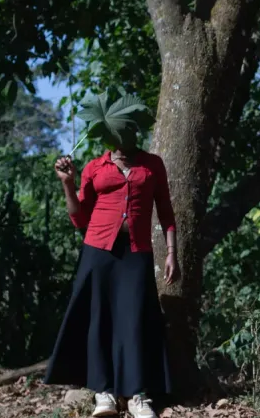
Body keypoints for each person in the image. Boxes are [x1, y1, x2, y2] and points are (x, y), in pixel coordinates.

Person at [47, 128, 176, 418]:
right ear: (107, 134)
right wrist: (68, 183)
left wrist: (171, 252)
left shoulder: (152, 164)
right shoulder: (95, 167)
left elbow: (166, 210)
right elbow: (79, 218)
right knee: (99, 319)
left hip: (136, 252)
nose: (123, 136)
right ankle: (103, 393)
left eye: (129, 130)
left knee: (135, 320)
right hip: (98, 252)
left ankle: (137, 395)